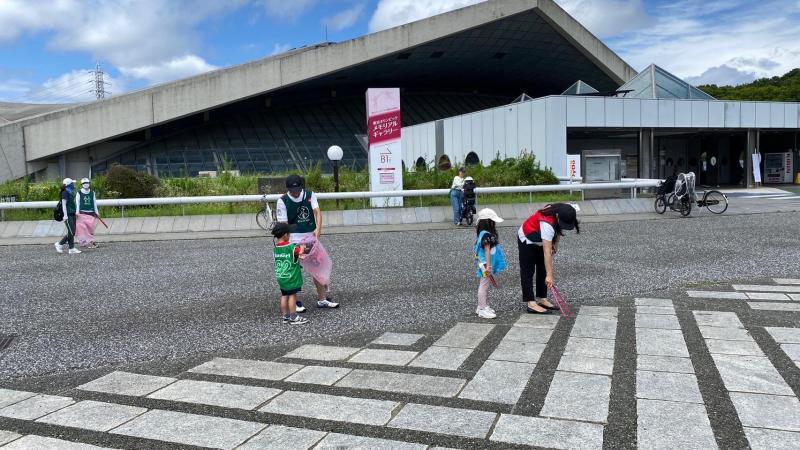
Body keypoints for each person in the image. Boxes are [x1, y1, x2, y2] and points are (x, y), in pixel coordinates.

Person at [276, 174, 339, 312]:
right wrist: (287, 246)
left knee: (318, 269)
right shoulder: (282, 201)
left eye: (298, 190)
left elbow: (317, 212)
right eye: (292, 190)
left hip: (310, 239)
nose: (295, 192)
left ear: (301, 187)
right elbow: (283, 225)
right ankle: (294, 303)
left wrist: (318, 229)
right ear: (288, 189)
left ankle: (322, 299)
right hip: (293, 241)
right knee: (293, 272)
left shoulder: (310, 195)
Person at [518, 203, 580, 314]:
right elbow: (547, 253)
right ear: (558, 216)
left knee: (542, 268)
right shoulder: (547, 223)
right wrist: (550, 276)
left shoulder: (565, 210)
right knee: (528, 270)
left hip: (541, 240)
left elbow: (558, 228)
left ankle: (541, 298)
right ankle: (531, 303)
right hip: (527, 238)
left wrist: (556, 244)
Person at [271, 222, 309, 325]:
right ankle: (294, 317)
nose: (290, 236)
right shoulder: (292, 247)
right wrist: (302, 246)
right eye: (289, 234)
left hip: (281, 277)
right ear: (285, 235)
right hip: (291, 277)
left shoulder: (275, 249)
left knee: (284, 295)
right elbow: (300, 252)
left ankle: (285, 316)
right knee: (292, 295)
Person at [474, 208, 507, 319]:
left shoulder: (482, 233)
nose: (494, 223)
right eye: (493, 221)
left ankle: (481, 306)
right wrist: (488, 266)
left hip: (484, 264)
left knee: (484, 284)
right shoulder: (486, 235)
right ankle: (482, 309)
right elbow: (487, 250)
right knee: (484, 285)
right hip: (485, 265)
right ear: (489, 222)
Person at [55, 178, 81, 254]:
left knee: (72, 232)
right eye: (72, 183)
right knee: (71, 232)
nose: (73, 185)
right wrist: (65, 216)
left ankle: (71, 248)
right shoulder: (65, 192)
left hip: (72, 213)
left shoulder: (70, 191)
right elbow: (64, 205)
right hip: (68, 215)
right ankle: (59, 244)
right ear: (68, 184)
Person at [75, 178, 100, 248]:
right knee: (83, 229)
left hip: (91, 213)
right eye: (84, 183)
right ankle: (85, 242)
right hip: (82, 213)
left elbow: (94, 203)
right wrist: (77, 213)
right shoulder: (79, 192)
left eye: (87, 183)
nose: (86, 184)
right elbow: (77, 203)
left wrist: (96, 212)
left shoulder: (92, 192)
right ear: (82, 184)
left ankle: (89, 242)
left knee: (90, 229)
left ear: (89, 183)